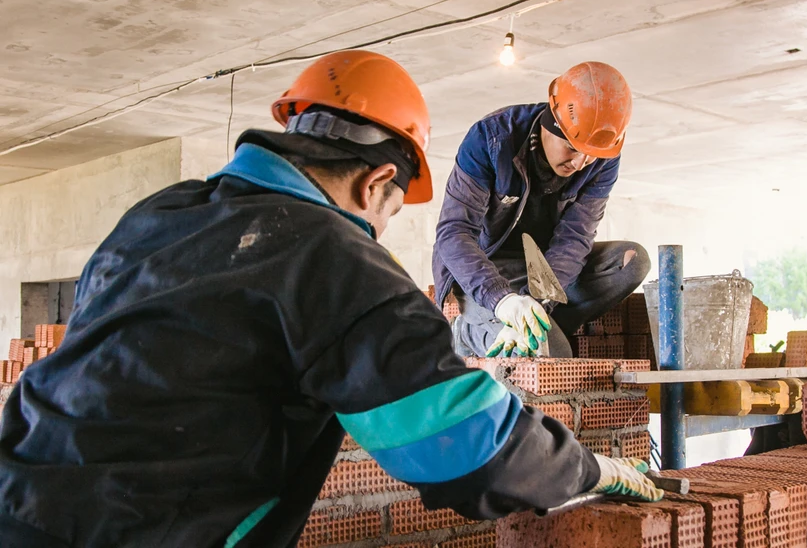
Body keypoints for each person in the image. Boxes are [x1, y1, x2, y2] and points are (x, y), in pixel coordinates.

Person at [0, 50, 661, 548]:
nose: (378, 232)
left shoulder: (157, 214)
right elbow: (467, 446)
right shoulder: (342, 265)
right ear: (376, 183)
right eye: (390, 214)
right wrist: (591, 470)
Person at [433, 62, 650, 359]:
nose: (580, 163)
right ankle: (467, 332)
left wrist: (539, 301)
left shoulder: (603, 160)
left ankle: (543, 324)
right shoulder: (491, 138)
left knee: (632, 262)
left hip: (544, 267)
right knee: (552, 356)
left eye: (591, 155)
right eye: (572, 148)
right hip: (487, 266)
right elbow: (453, 232)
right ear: (551, 122)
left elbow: (575, 238)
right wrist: (502, 301)